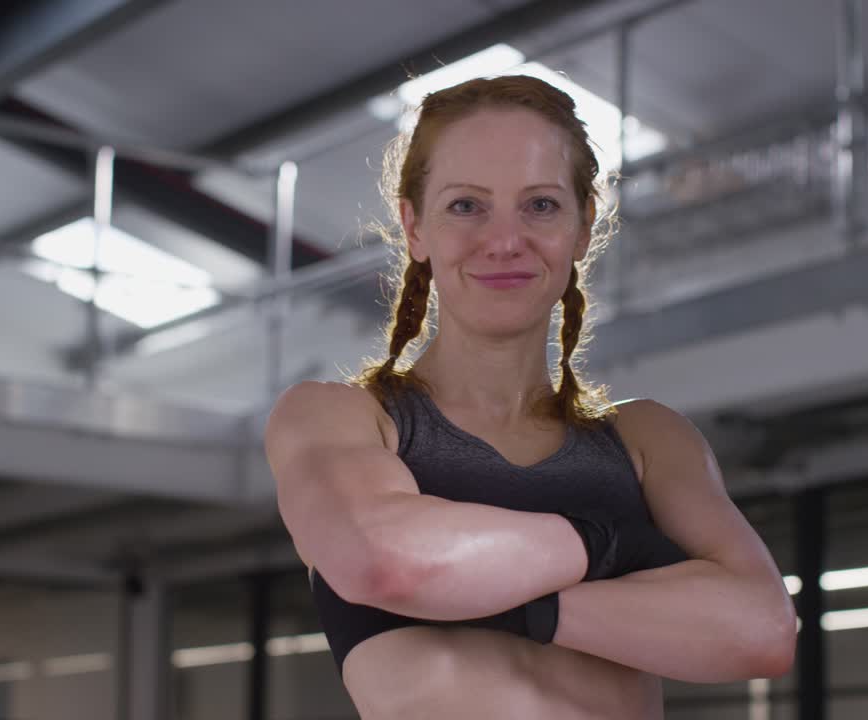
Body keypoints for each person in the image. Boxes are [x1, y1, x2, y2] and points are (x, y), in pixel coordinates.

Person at [265, 74, 796, 719]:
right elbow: (387, 563)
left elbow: (761, 633)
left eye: (540, 205)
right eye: (467, 205)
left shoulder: (650, 440)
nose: (504, 240)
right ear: (414, 227)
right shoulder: (342, 418)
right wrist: (619, 551)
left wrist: (506, 598)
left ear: (581, 229)